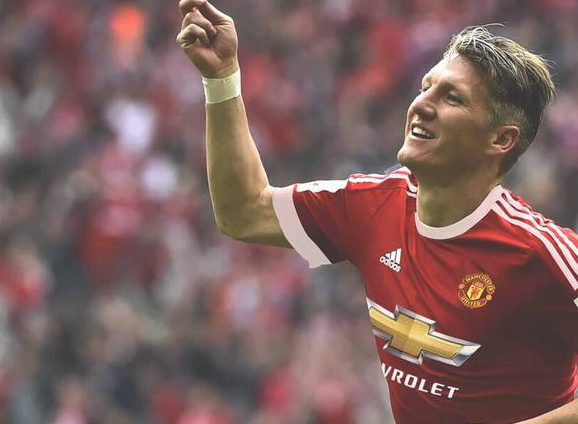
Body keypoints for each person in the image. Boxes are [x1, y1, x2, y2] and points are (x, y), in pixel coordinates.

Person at [176, 1, 578, 422]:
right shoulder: (372, 204)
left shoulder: (539, 253)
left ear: (501, 140)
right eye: (426, 87)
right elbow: (243, 212)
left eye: (452, 98)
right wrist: (221, 78)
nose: (422, 104)